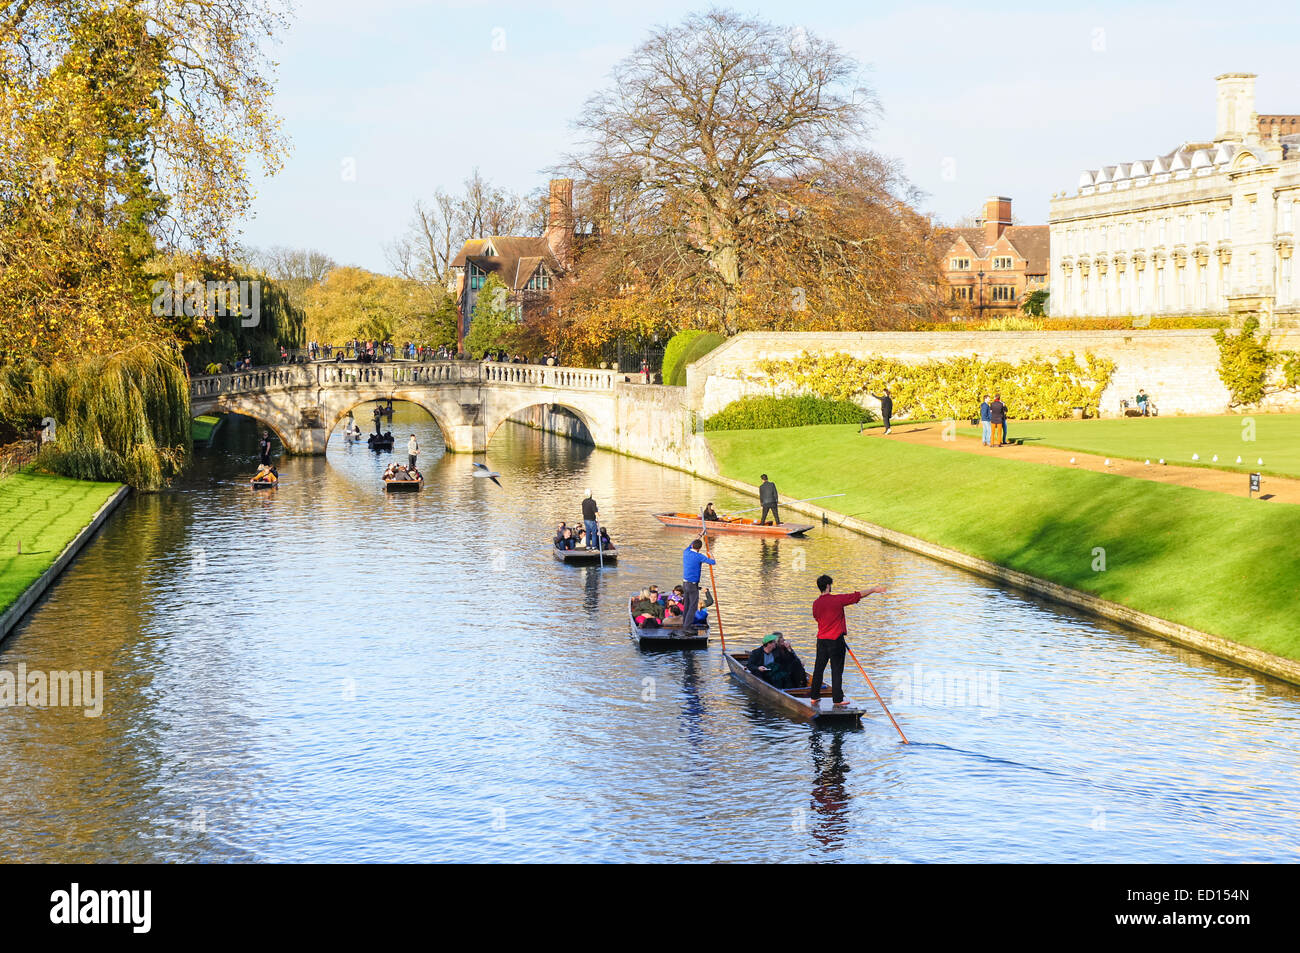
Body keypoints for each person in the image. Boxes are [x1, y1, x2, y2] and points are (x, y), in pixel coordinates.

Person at [810, 574, 886, 708]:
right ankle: (837, 699)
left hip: (821, 640)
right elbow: (857, 595)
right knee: (836, 670)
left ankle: (814, 696)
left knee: (819, 668)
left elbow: (817, 618)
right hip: (836, 641)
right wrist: (874, 589)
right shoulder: (837, 600)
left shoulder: (816, 603)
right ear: (828, 586)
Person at [681, 537, 716, 635]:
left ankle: (685, 624)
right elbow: (713, 562)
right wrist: (711, 555)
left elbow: (691, 544)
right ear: (699, 548)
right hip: (692, 585)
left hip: (685, 583)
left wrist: (699, 535)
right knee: (692, 607)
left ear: (692, 545)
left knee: (687, 606)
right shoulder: (699, 556)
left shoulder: (686, 552)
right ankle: (686, 628)